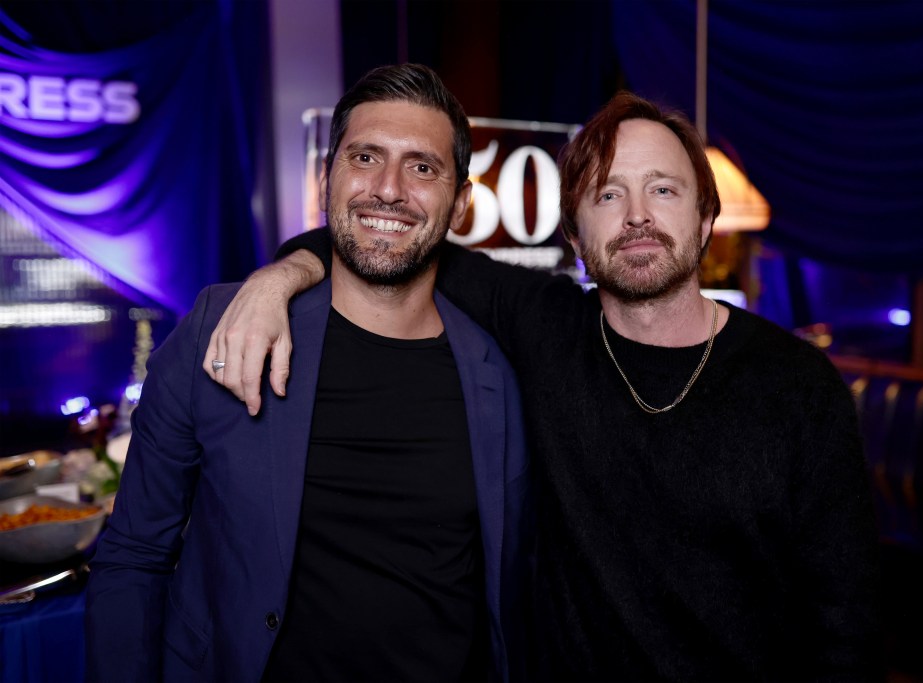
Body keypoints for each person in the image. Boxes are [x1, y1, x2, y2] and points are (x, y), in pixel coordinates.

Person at [207, 91, 882, 680]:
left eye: (664, 190)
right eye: (608, 194)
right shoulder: (545, 327)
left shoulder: (798, 386)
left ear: (705, 219)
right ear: (576, 237)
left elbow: (848, 628)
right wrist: (280, 279)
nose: (637, 215)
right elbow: (383, 236)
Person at [85, 64, 532, 683]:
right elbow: (135, 555)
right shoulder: (223, 330)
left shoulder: (497, 378)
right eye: (365, 157)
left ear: (460, 204)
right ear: (328, 179)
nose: (389, 189)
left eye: (423, 167)